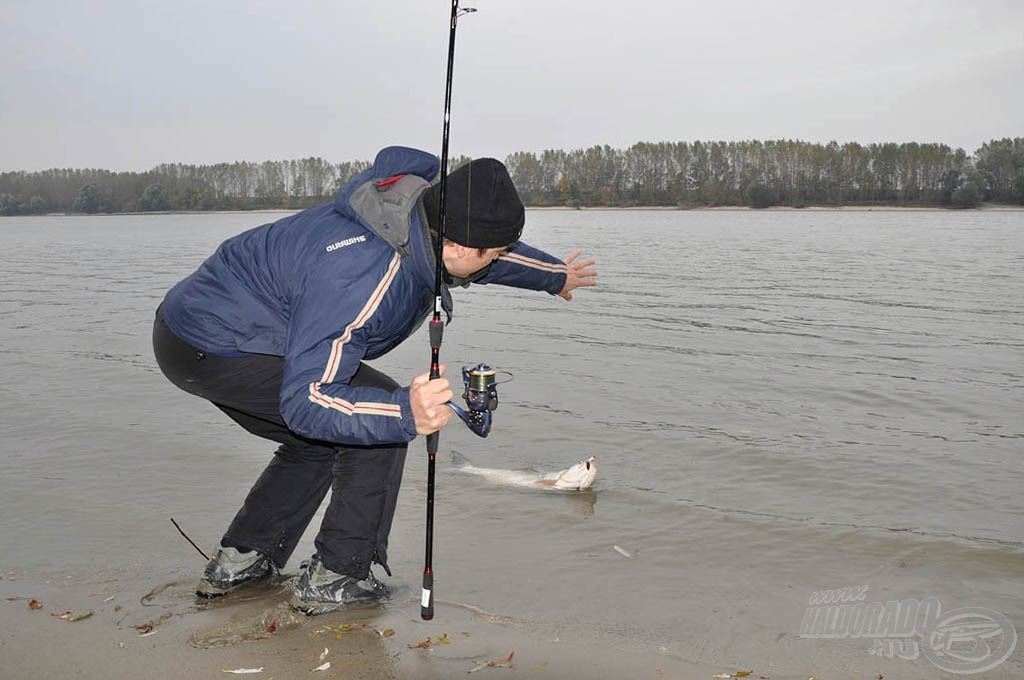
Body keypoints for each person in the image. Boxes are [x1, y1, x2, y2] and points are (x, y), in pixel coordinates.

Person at [152, 145, 597, 615]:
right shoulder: (363, 274)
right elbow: (307, 400)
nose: (501, 259)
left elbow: (484, 256)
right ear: (461, 246)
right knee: (377, 417)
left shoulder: (421, 218)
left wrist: (556, 276)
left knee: (325, 436)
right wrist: (407, 412)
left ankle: (241, 562)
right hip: (218, 344)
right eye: (498, 251)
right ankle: (337, 575)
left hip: (200, 329)